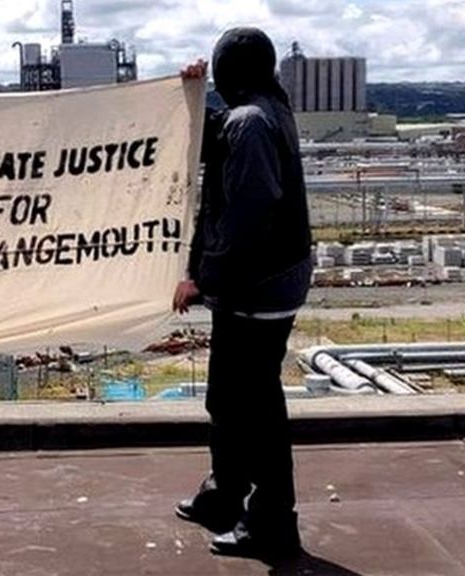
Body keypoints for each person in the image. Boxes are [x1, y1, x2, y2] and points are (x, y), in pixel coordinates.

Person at [173, 28, 313, 561]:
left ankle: (273, 523)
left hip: (256, 285)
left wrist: (203, 279)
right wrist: (194, 97)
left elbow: (249, 213)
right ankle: (224, 494)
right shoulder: (263, 110)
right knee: (229, 398)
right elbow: (220, 137)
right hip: (265, 282)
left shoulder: (251, 121)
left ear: (229, 71)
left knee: (255, 409)